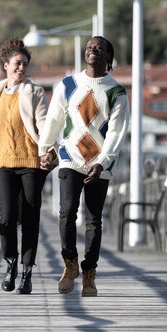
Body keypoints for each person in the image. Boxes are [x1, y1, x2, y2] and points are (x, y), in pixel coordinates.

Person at [38, 36, 130, 297]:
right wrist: (45, 150)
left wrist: (102, 163)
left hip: (100, 165)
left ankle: (90, 273)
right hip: (69, 158)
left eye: (98, 49)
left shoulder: (116, 92)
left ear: (108, 57)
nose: (92, 51)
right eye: (89, 48)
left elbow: (116, 133)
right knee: (66, 213)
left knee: (93, 221)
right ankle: (70, 264)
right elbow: (54, 119)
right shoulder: (68, 84)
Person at [0, 36, 53, 295]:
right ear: (6, 65)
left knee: (30, 218)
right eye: (18, 64)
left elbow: (43, 122)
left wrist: (48, 148)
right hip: (3, 165)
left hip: (32, 163)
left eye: (25, 64)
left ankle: (27, 273)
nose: (22, 68)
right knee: (6, 219)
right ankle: (10, 262)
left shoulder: (35, 92)